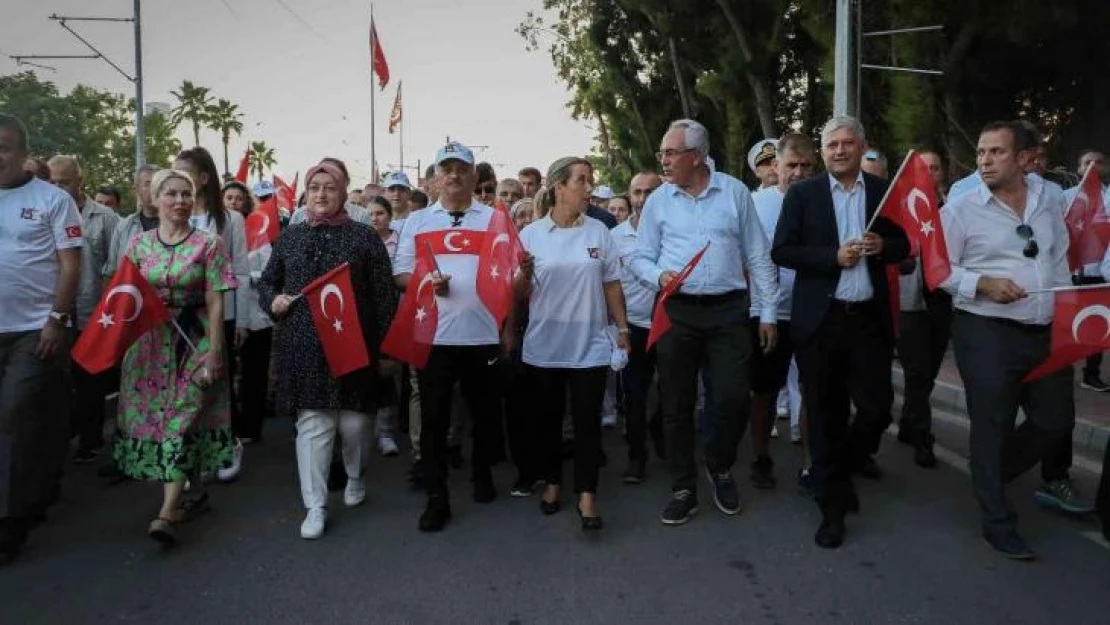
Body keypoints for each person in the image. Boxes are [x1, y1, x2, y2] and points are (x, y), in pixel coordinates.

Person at [941, 121, 1093, 560]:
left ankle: (991, 471)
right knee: (993, 425)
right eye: (981, 153)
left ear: (1023, 158)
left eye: (996, 152)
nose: (984, 161)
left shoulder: (1049, 200)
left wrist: (1069, 317)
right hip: (985, 331)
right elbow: (940, 271)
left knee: (1055, 422)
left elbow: (1058, 258)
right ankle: (996, 519)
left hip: (1044, 330)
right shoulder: (961, 209)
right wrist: (981, 283)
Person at [630, 119, 779, 526]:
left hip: (729, 311)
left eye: (670, 152)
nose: (663, 159)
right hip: (677, 311)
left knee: (732, 398)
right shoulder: (660, 200)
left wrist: (767, 312)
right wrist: (658, 276)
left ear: (696, 156)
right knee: (676, 403)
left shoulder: (733, 193)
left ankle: (719, 465)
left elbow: (758, 256)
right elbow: (639, 256)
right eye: (663, 152)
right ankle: (683, 485)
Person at [771, 115, 910, 549]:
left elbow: (905, 244)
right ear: (823, 151)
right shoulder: (804, 195)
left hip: (868, 320)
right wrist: (831, 256)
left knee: (878, 409)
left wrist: (884, 248)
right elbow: (783, 250)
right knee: (825, 415)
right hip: (821, 321)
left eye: (848, 144)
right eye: (831, 145)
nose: (840, 151)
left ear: (862, 146)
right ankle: (832, 508)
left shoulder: (882, 193)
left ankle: (838, 470)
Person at [258, 162, 397, 539]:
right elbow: (267, 283)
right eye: (314, 187)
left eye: (329, 187)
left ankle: (355, 477)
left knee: (354, 425)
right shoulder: (291, 237)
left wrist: (386, 352)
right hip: (305, 349)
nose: (321, 194)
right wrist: (274, 301)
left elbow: (384, 296)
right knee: (314, 426)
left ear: (342, 191)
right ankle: (315, 507)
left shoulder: (365, 238)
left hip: (356, 346)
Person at [112, 168, 238, 544]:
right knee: (164, 420)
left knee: (181, 420)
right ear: (154, 199)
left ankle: (168, 510)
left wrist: (216, 350)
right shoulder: (138, 246)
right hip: (150, 346)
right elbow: (124, 296)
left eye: (186, 194)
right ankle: (194, 490)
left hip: (195, 340)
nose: (180, 201)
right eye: (171, 194)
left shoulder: (209, 243)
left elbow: (217, 298)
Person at [392, 142, 505, 532]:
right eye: (447, 169)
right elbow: (401, 275)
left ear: (475, 177)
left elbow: (508, 276)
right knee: (435, 420)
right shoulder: (417, 221)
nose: (454, 175)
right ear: (435, 177)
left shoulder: (495, 219)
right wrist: (426, 283)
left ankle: (482, 474)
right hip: (434, 336)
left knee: (484, 415)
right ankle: (437, 497)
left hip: (483, 334)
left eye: (462, 169)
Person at [515, 157, 630, 532]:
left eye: (590, 180)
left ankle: (587, 494)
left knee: (587, 423)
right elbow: (516, 294)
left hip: (590, 342)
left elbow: (612, 282)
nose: (589, 187)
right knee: (547, 421)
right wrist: (524, 276)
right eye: (581, 180)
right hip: (545, 343)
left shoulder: (599, 232)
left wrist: (623, 328)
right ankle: (552, 482)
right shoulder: (531, 235)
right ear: (558, 187)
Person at [0, 114, 82, 562]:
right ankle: (35, 491)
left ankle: (8, 523)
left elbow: (70, 264)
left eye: (3, 148)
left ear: (21, 152)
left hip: (35, 330)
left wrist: (56, 317)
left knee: (13, 415)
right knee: (37, 418)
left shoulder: (51, 200)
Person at [174, 147, 249, 483]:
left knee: (217, 383)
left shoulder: (229, 220)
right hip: (181, 316)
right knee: (183, 388)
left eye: (185, 173)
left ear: (203, 178)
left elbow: (241, 272)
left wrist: (241, 319)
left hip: (220, 315)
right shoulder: (177, 215)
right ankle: (190, 456)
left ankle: (228, 444)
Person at [747, 133, 815, 490]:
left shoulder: (825, 201)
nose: (799, 173)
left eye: (806, 166)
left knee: (811, 387)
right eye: (792, 165)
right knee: (765, 389)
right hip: (766, 314)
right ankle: (760, 457)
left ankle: (809, 464)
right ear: (777, 166)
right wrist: (760, 309)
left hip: (813, 313)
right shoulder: (756, 204)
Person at [47, 155, 120, 464]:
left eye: (64, 182)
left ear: (80, 180)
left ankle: (90, 441)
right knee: (56, 381)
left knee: (90, 381)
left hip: (94, 312)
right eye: (52, 182)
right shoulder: (45, 212)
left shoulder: (105, 217)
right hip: (54, 313)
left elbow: (115, 267)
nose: (58, 188)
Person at [895, 149, 953, 469]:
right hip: (909, 300)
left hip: (941, 299)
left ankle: (908, 420)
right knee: (916, 370)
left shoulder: (953, 209)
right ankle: (922, 436)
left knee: (928, 372)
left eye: (934, 168)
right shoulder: (900, 210)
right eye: (922, 168)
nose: (928, 173)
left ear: (942, 174)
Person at [613, 171, 662, 484]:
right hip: (632, 327)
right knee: (634, 396)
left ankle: (661, 431)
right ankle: (636, 457)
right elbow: (610, 284)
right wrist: (617, 327)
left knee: (674, 392)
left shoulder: (673, 232)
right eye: (637, 192)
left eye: (650, 192)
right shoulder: (615, 236)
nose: (643, 199)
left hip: (670, 325)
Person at [1065, 150, 1110, 391]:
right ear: (1079, 168)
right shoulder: (1067, 198)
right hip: (1073, 273)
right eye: (1087, 162)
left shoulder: (1109, 197)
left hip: (1101, 273)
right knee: (1065, 324)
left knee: (1097, 324)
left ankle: (1091, 374)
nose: (1093, 166)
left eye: (1099, 162)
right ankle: (1059, 371)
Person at [367, 194, 402, 456]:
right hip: (367, 315)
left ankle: (386, 432)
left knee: (388, 373)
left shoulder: (399, 243)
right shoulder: (360, 242)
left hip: (396, 312)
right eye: (370, 214)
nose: (374, 219)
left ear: (389, 216)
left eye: (379, 213)